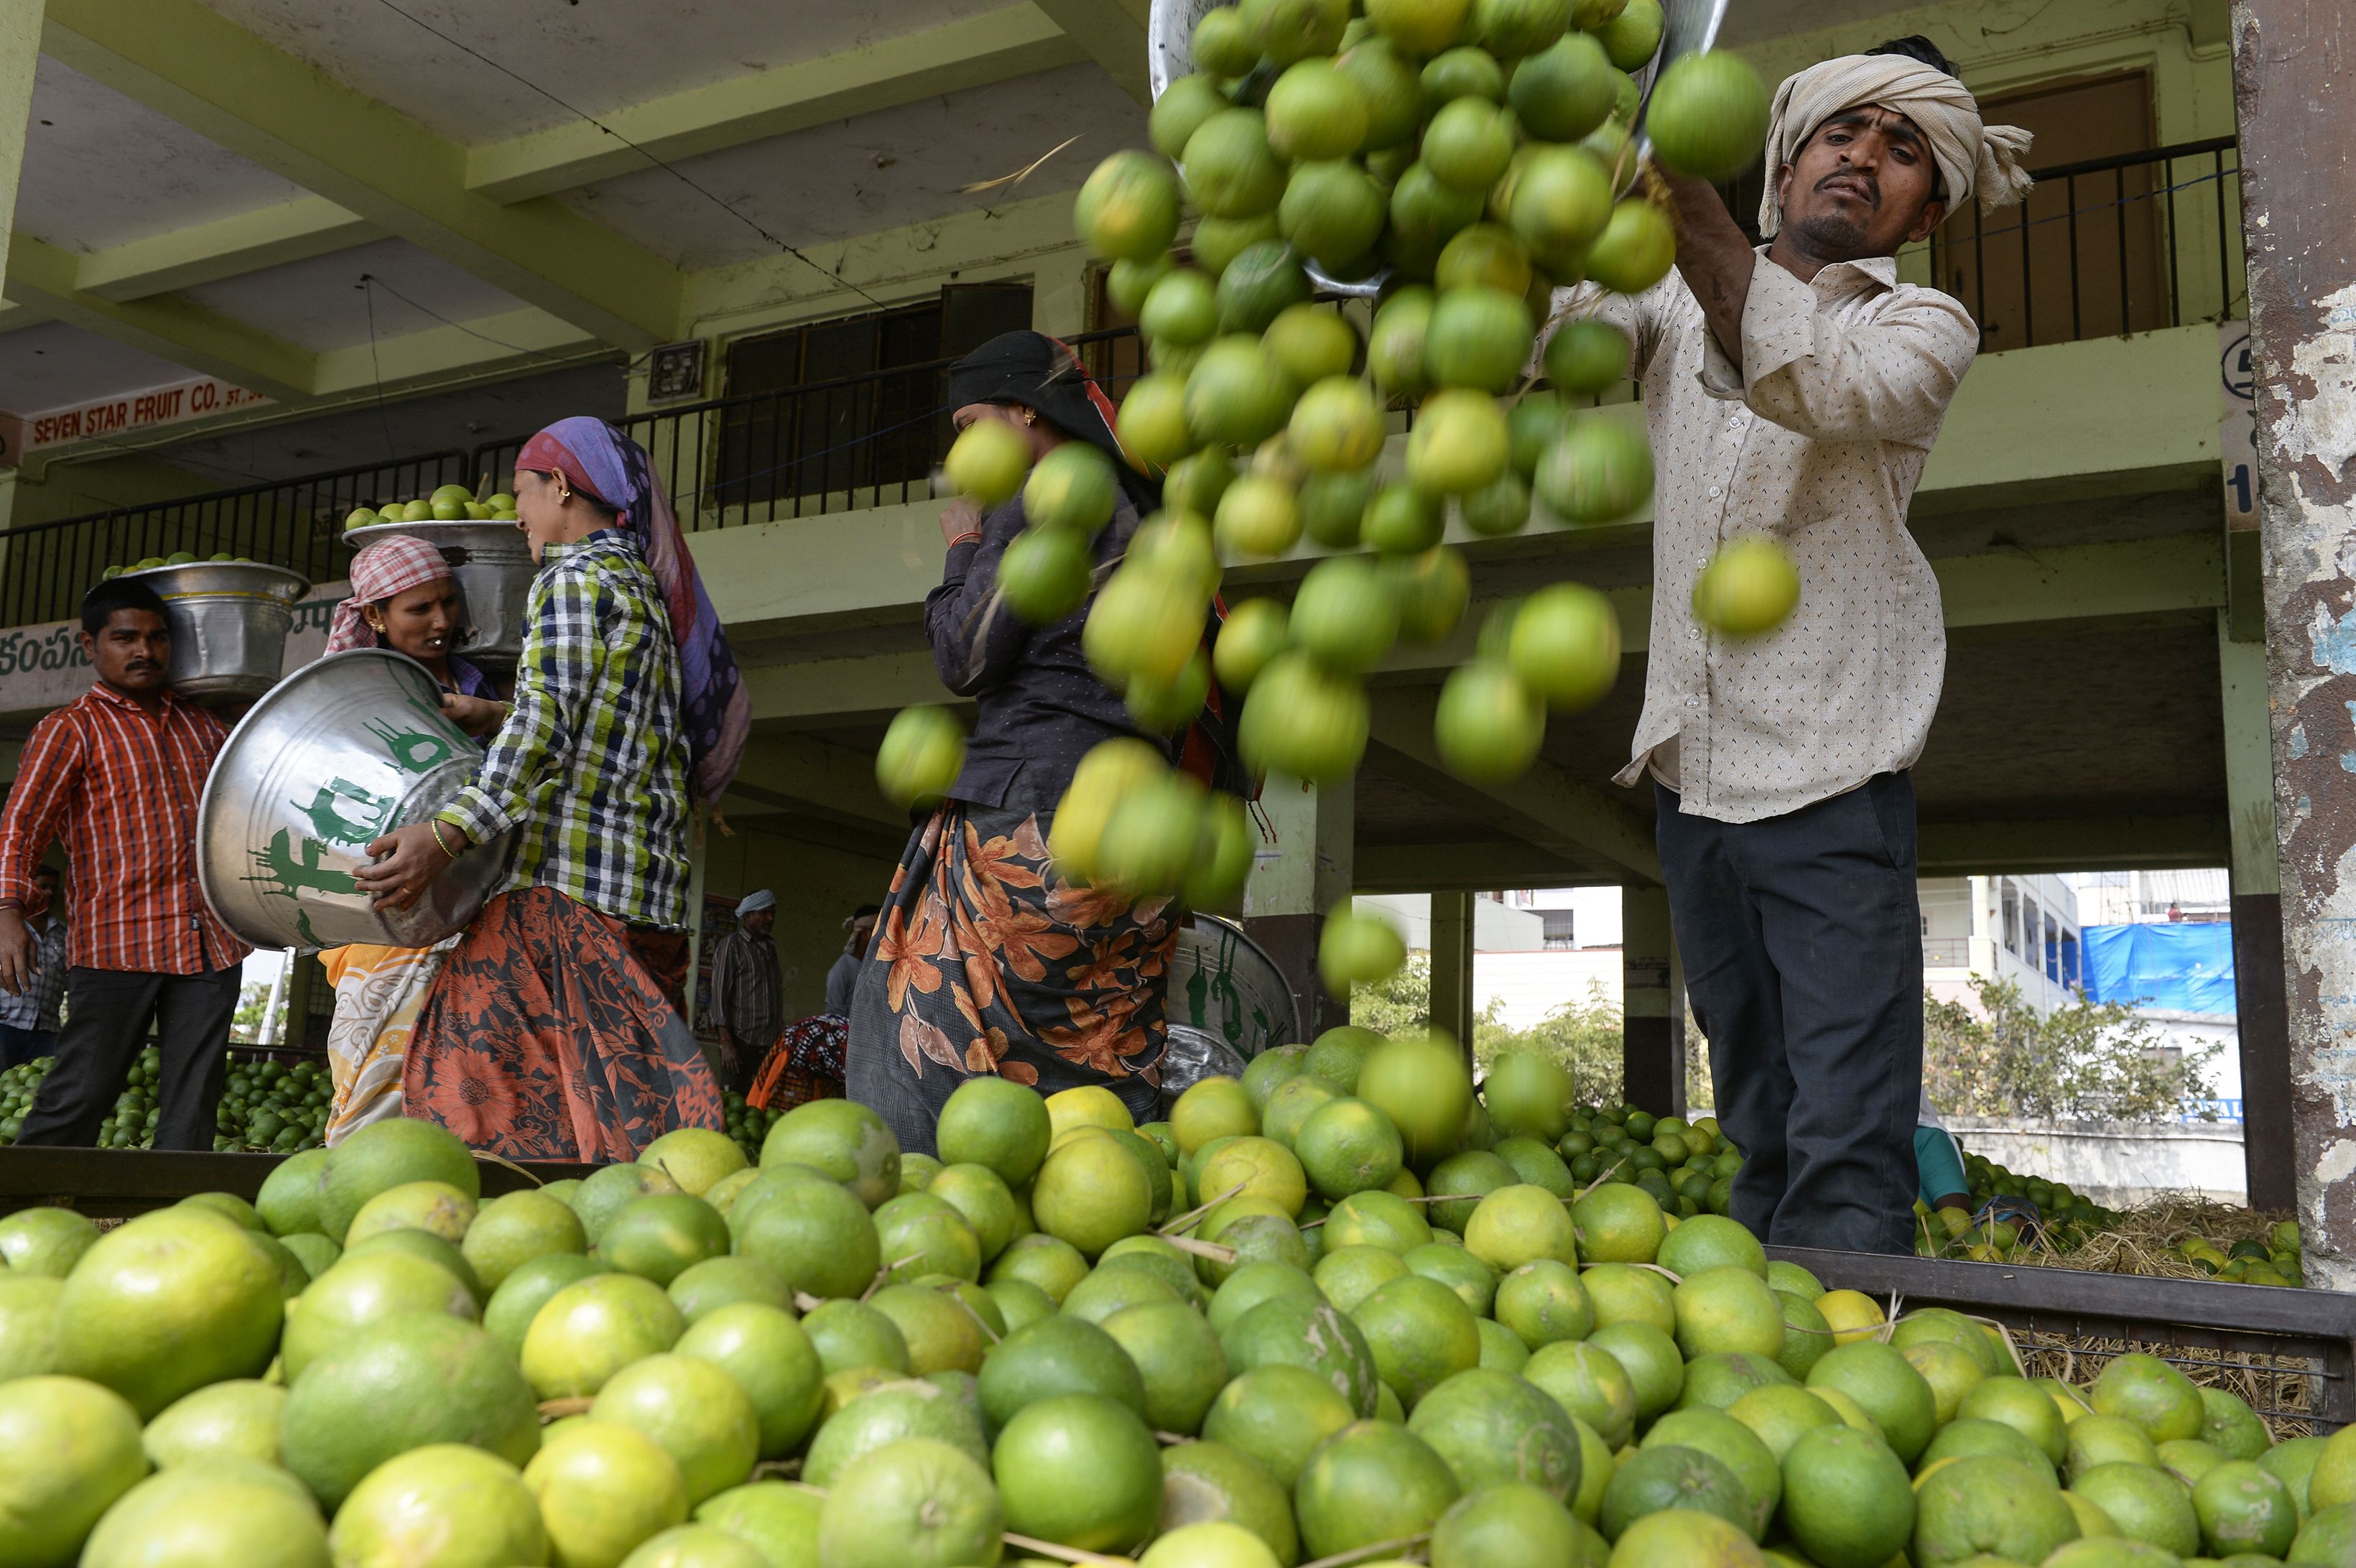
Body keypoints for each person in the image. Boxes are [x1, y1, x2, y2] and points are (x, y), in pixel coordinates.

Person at [1539, 38, 2033, 1254]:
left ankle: (1855, 1357)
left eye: (1903, 148)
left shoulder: (1920, 328)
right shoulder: (1666, 286)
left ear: (1930, 206)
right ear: (1792, 151)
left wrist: (1680, 190)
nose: (1864, 156)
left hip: (1830, 778)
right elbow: (1544, 345)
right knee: (1757, 1116)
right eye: (1843, 130)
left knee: (1847, 1138)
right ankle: (1759, 1341)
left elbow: (1805, 375)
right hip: (1694, 776)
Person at [354, 417, 750, 1161]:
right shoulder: (637, 584)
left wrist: (445, 834)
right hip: (644, 902)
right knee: (612, 1126)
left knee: (481, 1112)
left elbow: (546, 729)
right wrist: (499, 713)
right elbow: (606, 723)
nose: (517, 514)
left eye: (521, 492)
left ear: (562, 486)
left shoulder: (571, 578)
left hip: (568, 898)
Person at [847, 331, 1189, 1154]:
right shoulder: (1139, 507)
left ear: (1026, 412)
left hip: (1034, 805)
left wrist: (963, 545)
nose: (961, 447)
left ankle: (931, 1215)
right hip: (1140, 826)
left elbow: (964, 656)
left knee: (913, 1014)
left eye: (971, 423)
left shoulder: (1048, 496)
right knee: (1089, 1054)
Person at [0, 577, 251, 1147]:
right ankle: (21, 1212)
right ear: (90, 646)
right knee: (84, 1088)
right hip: (118, 942)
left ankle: (173, 1224)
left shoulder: (202, 724)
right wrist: (7, 909)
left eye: (158, 638)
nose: (144, 650)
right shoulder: (69, 729)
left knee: (194, 1102)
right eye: (125, 638)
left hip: (210, 941)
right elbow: (21, 824)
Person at [315, 536, 511, 1143]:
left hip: (480, 917)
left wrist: (494, 714)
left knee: (475, 1105)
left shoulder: (481, 684)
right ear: (373, 615)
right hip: (385, 928)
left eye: (448, 604)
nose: (442, 622)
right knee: (372, 1119)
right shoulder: (348, 694)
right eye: (418, 609)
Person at [707, 889, 784, 1093]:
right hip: (741, 1043)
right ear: (749, 915)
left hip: (768, 1044)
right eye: (764, 913)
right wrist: (726, 1044)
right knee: (735, 1099)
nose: (770, 918)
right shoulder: (731, 946)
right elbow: (719, 998)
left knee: (762, 1100)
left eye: (772, 913)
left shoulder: (770, 946)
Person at [0, 867, 67, 1069]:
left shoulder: (64, 934)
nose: (49, 893)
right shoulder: (6, 929)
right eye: (43, 886)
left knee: (38, 1088)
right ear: (28, 888)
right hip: (6, 1024)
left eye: (53, 888)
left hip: (47, 1029)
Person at [825, 904, 879, 1018]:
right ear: (866, 933)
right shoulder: (842, 969)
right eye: (878, 931)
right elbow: (834, 1013)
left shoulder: (876, 966)